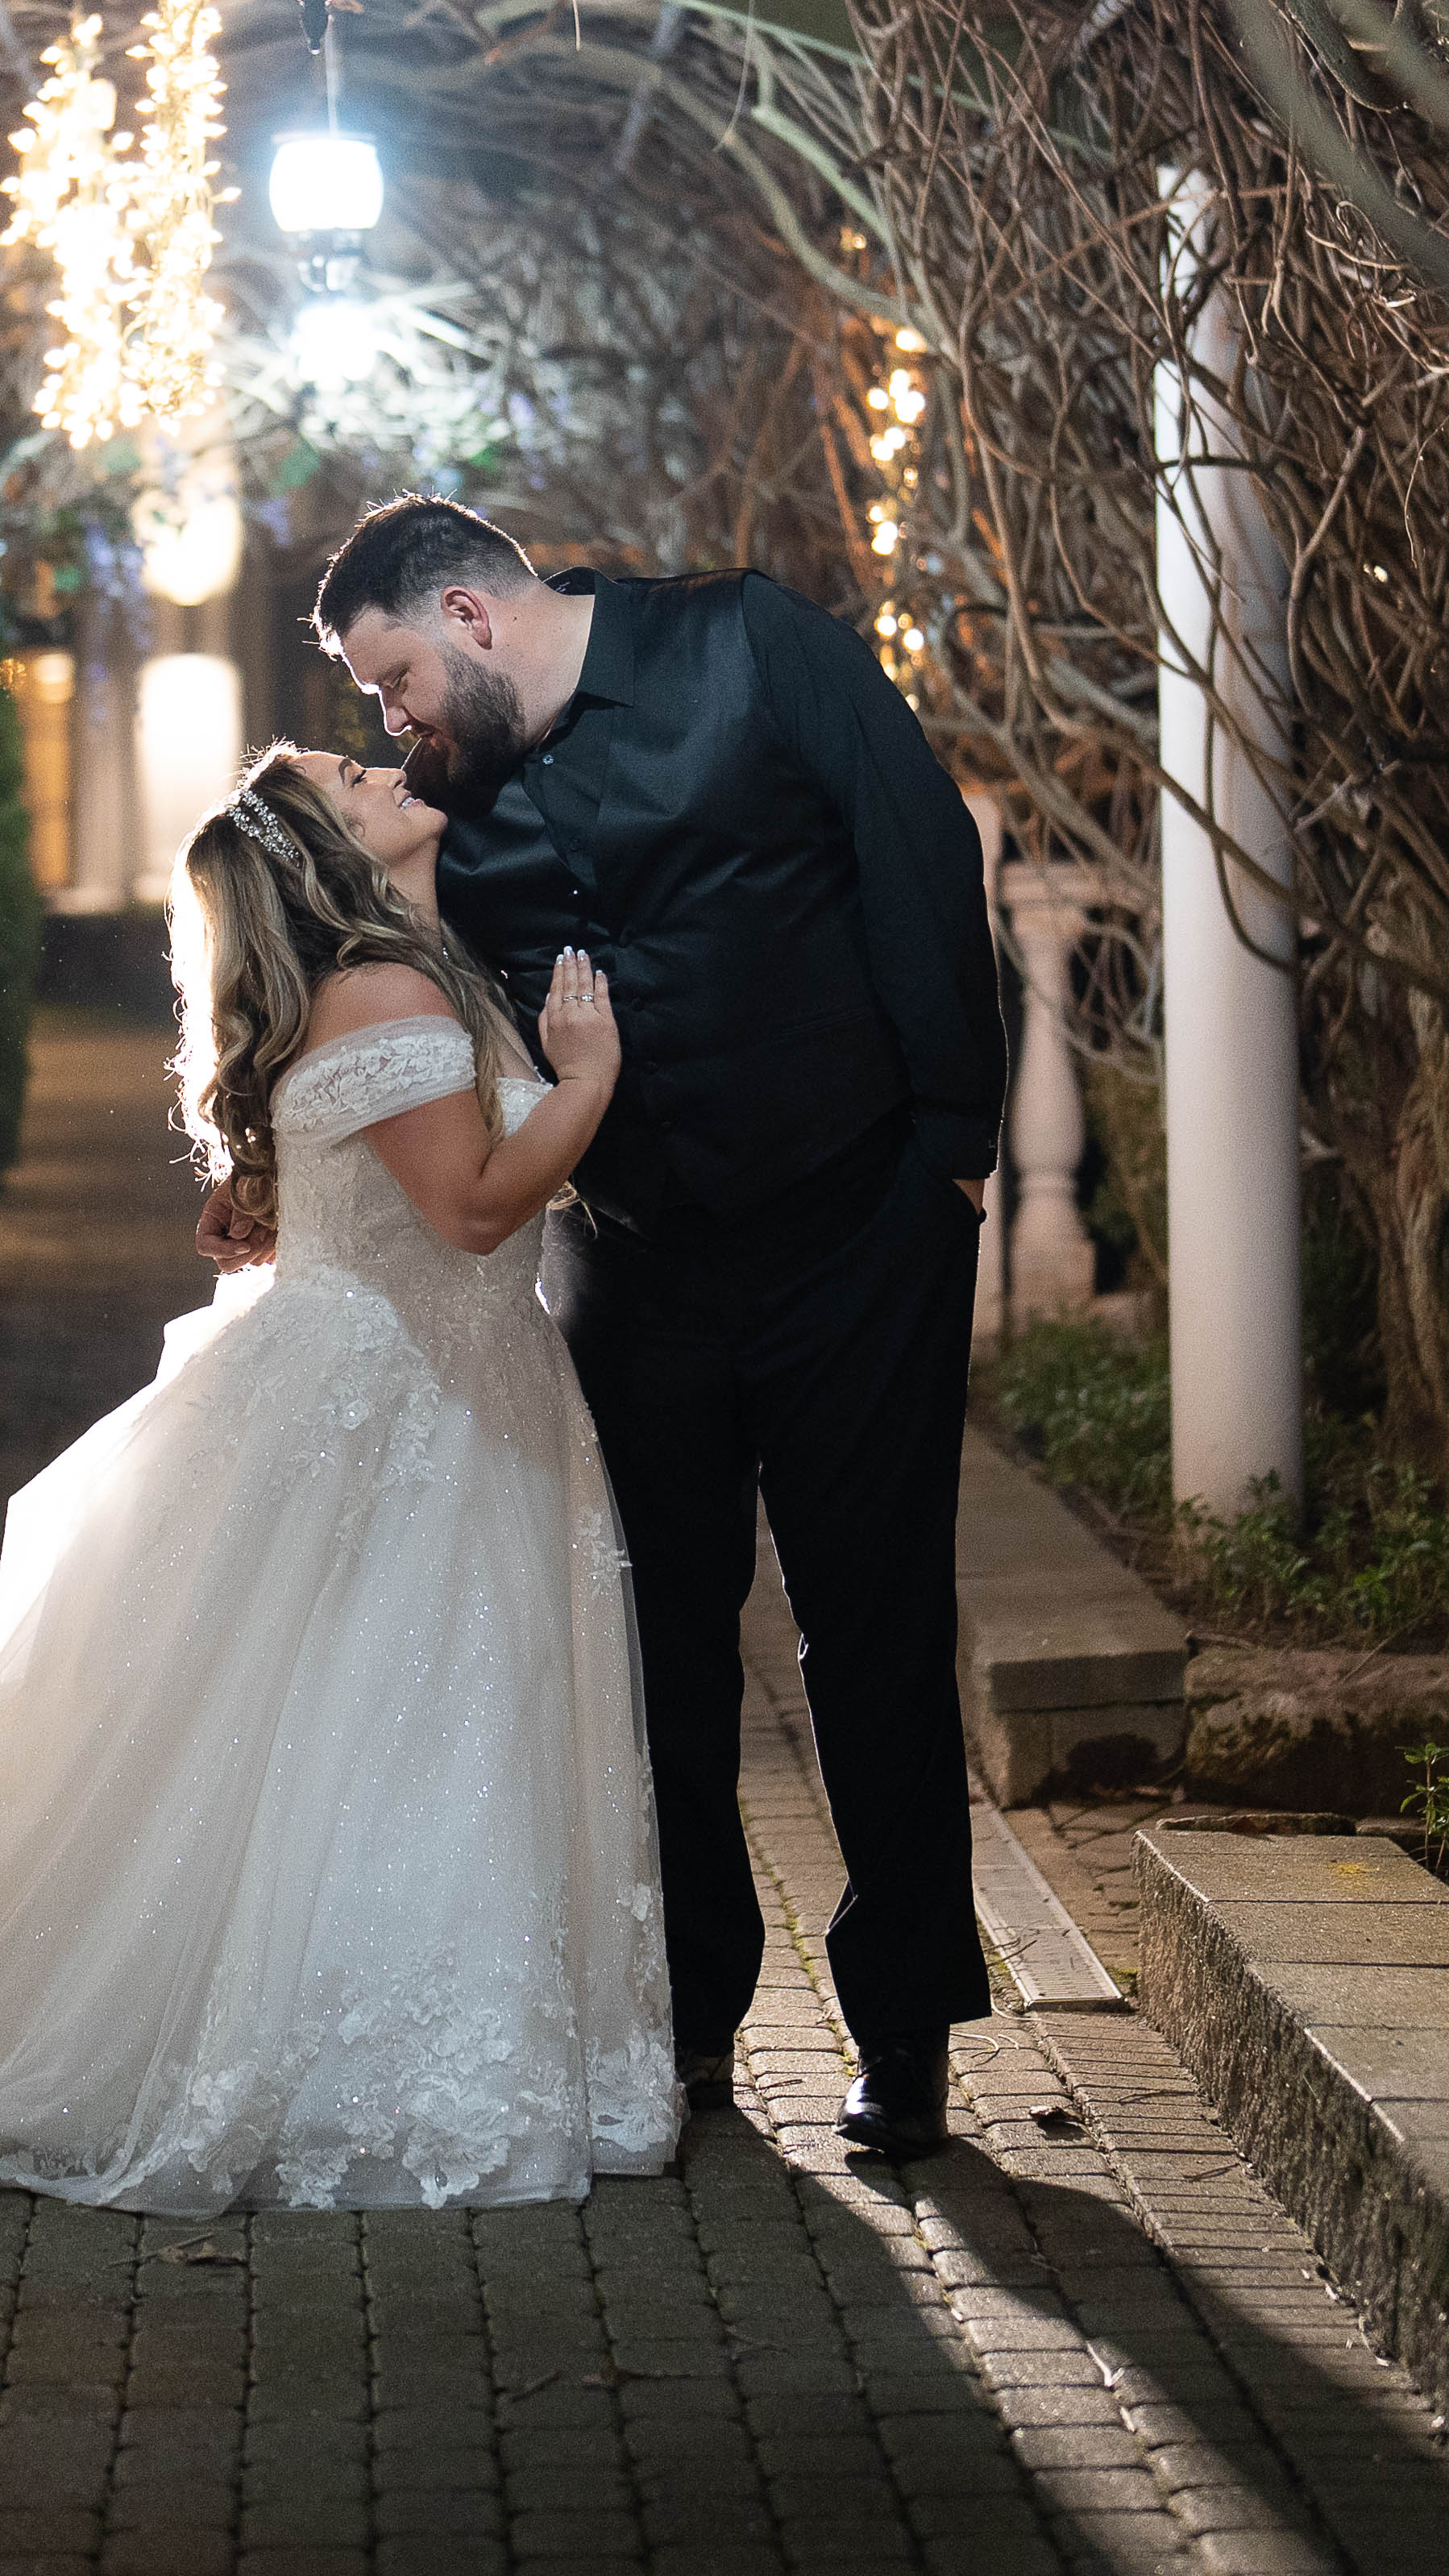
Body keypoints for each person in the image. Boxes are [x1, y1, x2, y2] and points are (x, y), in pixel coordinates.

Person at [0, 748, 675, 2212]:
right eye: (349, 775)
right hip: (398, 1404)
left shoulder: (416, 973)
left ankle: (413, 2040)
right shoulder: (388, 991)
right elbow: (475, 1205)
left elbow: (393, 1188)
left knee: (388, 1714)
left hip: (442, 1384)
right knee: (391, 1706)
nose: (381, 763)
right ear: (323, 851)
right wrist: (592, 1080)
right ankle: (359, 2062)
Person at [247, 497, 1003, 2162]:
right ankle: (683, 2020)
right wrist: (264, 1151)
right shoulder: (443, 795)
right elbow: (335, 949)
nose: (395, 720)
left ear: (470, 613)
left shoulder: (752, 644)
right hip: (634, 1261)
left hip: (858, 1229)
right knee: (651, 1643)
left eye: (394, 679)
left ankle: (904, 2029)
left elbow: (919, 848)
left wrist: (953, 1145)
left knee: (874, 1626)